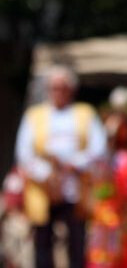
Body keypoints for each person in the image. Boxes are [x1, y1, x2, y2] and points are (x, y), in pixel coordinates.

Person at [14, 66, 107, 268]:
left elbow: (98, 148)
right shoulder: (34, 115)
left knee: (77, 240)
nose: (58, 92)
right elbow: (24, 152)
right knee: (42, 241)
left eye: (62, 87)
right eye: (54, 88)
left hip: (76, 187)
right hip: (43, 188)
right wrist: (47, 174)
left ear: (71, 89)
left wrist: (74, 164)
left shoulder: (85, 113)